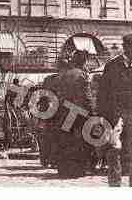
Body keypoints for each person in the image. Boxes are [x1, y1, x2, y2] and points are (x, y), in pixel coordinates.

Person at [99, 33, 132, 187]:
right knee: (114, 153)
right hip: (116, 117)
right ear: (125, 48)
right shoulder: (112, 66)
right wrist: (104, 118)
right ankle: (115, 187)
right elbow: (103, 94)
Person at [56, 50, 94, 178]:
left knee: (65, 140)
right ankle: (78, 170)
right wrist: (93, 112)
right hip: (79, 113)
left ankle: (64, 169)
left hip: (64, 111)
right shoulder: (82, 76)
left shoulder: (64, 75)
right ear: (83, 62)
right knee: (80, 142)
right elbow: (87, 96)